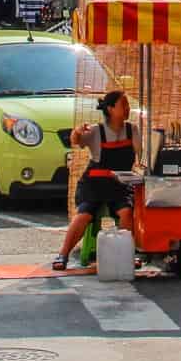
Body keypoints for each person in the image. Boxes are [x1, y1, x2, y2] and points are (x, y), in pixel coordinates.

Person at [53, 90, 139, 271]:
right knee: (84, 214)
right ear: (110, 108)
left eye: (127, 105)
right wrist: (77, 131)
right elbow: (76, 140)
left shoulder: (133, 130)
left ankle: (126, 256)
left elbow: (142, 156)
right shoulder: (95, 131)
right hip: (94, 185)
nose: (127, 109)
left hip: (120, 186)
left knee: (126, 213)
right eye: (123, 105)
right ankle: (63, 254)